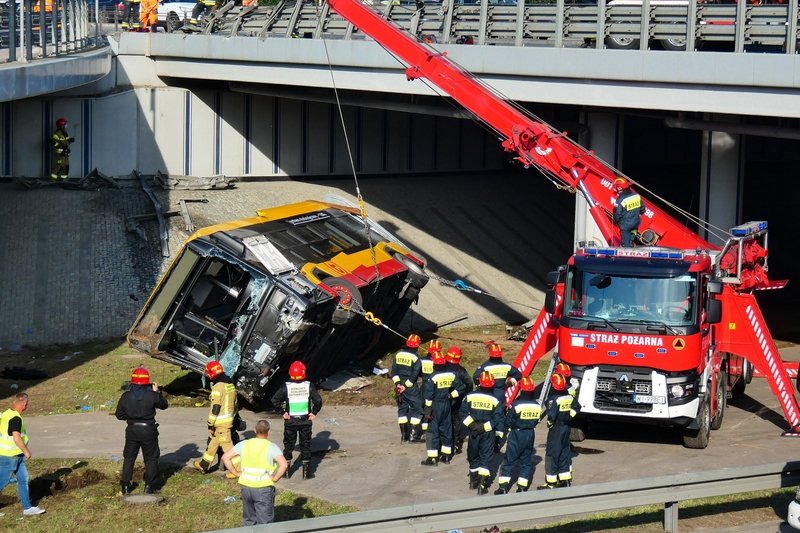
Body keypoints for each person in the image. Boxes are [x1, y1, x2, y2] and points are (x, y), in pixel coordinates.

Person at [222, 419, 288, 526]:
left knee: (249, 519)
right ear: (268, 432)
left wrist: (235, 472)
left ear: (254, 430)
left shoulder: (244, 444)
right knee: (265, 522)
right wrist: (275, 478)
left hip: (246, 487)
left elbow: (225, 458)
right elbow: (284, 465)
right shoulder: (271, 446)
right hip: (263, 488)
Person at [115, 367, 168, 494]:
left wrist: (132, 417)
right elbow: (164, 405)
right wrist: (157, 393)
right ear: (147, 382)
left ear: (132, 381)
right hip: (148, 430)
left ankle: (126, 486)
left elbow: (119, 415)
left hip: (132, 430)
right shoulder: (151, 395)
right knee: (150, 458)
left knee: (129, 458)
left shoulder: (126, 396)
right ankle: (149, 486)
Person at [271, 360, 323, 479]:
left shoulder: (286, 386)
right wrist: (314, 413)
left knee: (288, 445)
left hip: (290, 421)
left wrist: (282, 413)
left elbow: (274, 400)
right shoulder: (308, 385)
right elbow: (318, 401)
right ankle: (306, 473)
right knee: (305, 445)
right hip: (305, 420)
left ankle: (286, 472)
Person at [0, 393, 45, 516]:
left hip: (17, 455)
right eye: (27, 403)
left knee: (23, 479)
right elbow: (16, 437)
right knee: (2, 481)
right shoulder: (15, 418)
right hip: (9, 457)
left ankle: (27, 508)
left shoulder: (6, 413)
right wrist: (26, 450)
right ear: (24, 404)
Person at [495, 376, 542, 494]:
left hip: (517, 434)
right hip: (530, 433)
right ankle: (522, 487)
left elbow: (508, 421)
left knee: (509, 460)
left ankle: (503, 487)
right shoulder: (537, 405)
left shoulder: (516, 405)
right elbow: (537, 420)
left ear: (522, 390)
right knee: (526, 462)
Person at [460, 371, 504, 495]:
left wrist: (473, 425)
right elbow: (498, 418)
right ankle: (482, 485)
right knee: (486, 457)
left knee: (473, 455)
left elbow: (463, 413)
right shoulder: (496, 399)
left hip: (473, 432)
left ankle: (473, 482)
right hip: (487, 433)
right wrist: (484, 427)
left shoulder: (470, 396)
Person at [194, 360, 240, 477]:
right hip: (228, 420)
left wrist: (210, 423)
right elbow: (235, 404)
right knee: (213, 444)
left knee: (228, 447)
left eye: (209, 373)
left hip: (220, 423)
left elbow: (215, 407)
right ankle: (204, 465)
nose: (208, 376)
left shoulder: (218, 387)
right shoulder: (230, 384)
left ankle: (238, 470)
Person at [421, 350, 465, 466]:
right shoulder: (451, 374)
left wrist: (427, 410)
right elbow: (461, 388)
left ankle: (432, 458)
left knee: (433, 431)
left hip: (435, 405)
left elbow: (428, 396)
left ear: (434, 363)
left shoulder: (433, 377)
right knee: (446, 429)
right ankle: (446, 456)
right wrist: (451, 396)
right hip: (446, 403)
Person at [539, 372, 580, 489]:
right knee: (564, 453)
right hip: (566, 427)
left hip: (556, 429)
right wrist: (569, 416)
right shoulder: (568, 397)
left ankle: (551, 482)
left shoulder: (553, 399)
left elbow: (551, 415)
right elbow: (577, 407)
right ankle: (565, 480)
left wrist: (550, 423)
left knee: (552, 454)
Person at [391, 334, 424, 444]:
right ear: (417, 345)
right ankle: (413, 436)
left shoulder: (398, 354)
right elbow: (414, 375)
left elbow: (394, 371)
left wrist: (398, 385)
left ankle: (404, 437)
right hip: (410, 388)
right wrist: (406, 386)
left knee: (402, 410)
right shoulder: (416, 357)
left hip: (399, 388)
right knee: (418, 409)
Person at [445, 345, 473, 454]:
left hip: (442, 400)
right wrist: (465, 394)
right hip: (456, 401)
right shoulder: (461, 370)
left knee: (443, 422)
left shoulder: (441, 366)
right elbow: (469, 383)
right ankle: (456, 444)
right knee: (456, 421)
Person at [612, 177, 646, 247]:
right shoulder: (636, 196)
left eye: (616, 187)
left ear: (619, 188)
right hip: (636, 223)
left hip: (626, 226)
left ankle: (626, 257)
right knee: (631, 242)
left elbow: (617, 215)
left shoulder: (620, 200)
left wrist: (617, 221)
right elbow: (643, 209)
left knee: (626, 246)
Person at [50, 117, 74, 181]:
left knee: (66, 166)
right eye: (65, 124)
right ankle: (52, 179)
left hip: (66, 153)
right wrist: (60, 147)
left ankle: (64, 178)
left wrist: (70, 141)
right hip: (60, 153)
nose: (66, 125)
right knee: (60, 166)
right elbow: (53, 142)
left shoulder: (65, 133)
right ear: (61, 125)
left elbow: (66, 142)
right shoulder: (57, 133)